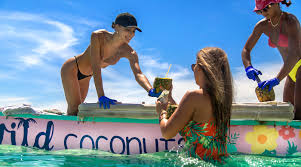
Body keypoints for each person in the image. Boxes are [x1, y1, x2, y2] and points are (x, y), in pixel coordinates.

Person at [61, 13, 161, 115]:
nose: (131, 34)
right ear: (116, 27)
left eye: (133, 31)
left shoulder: (130, 53)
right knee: (74, 108)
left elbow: (138, 74)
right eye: (127, 30)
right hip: (72, 68)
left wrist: (150, 89)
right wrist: (101, 95)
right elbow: (95, 66)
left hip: (87, 76)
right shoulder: (98, 36)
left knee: (78, 111)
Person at [156, 47, 233, 162]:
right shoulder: (224, 99)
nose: (193, 69)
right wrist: (170, 98)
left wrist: (162, 112)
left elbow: (167, 133)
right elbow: (186, 115)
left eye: (194, 65)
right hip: (221, 162)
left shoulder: (193, 96)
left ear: (202, 68)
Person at [241, 0, 301, 120]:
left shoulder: (290, 21)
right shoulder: (262, 26)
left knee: (299, 115)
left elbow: (294, 54)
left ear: (277, 3)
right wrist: (248, 67)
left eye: (265, 8)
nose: (263, 12)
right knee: (288, 115)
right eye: (260, 10)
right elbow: (246, 50)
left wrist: (276, 79)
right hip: (290, 70)